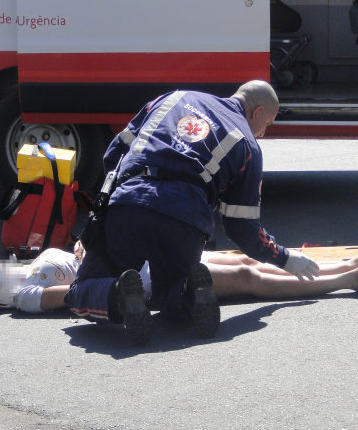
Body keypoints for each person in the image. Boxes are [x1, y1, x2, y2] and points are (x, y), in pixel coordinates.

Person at [66, 81, 321, 345]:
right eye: (267, 124)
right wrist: (285, 258)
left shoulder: (173, 98)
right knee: (170, 290)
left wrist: (108, 212)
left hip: (130, 205)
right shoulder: (247, 146)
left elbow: (115, 154)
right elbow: (241, 228)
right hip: (186, 220)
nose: (263, 133)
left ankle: (118, 293)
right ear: (256, 112)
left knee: (80, 291)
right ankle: (189, 292)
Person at [0, 234, 358, 314]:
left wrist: (86, 246)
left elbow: (80, 259)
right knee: (248, 280)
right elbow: (74, 294)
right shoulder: (24, 295)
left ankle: (348, 265)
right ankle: (347, 281)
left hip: (145, 250)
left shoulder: (30, 263)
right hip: (151, 279)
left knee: (246, 262)